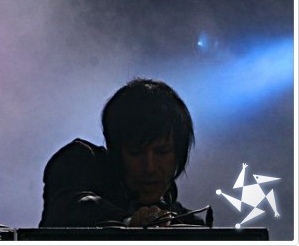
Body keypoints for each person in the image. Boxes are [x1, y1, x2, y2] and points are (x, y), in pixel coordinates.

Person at [39, 78, 205, 227]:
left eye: (162, 152)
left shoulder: (188, 224)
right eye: (135, 152)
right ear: (116, 151)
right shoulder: (78, 161)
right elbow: (69, 206)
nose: (149, 167)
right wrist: (127, 223)